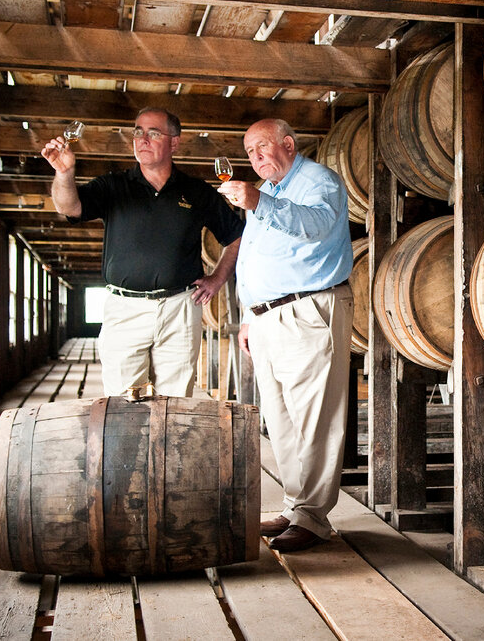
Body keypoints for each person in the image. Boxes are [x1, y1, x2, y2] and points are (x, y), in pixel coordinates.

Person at [41, 107, 244, 397]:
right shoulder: (114, 185)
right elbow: (68, 207)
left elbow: (236, 236)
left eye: (153, 133)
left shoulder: (197, 191)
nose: (142, 139)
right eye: (138, 132)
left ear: (174, 142)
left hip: (180, 307)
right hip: (125, 309)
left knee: (174, 403)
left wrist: (217, 279)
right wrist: (64, 173)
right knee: (122, 403)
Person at [219, 118, 353, 553]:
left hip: (307, 309)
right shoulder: (272, 192)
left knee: (314, 415)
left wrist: (256, 200)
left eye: (261, 148)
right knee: (280, 418)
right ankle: (297, 506)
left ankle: (313, 518)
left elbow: (314, 225)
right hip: (268, 318)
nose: (254, 159)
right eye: (249, 153)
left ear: (289, 144)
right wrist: (249, 318)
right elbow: (258, 260)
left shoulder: (318, 181)